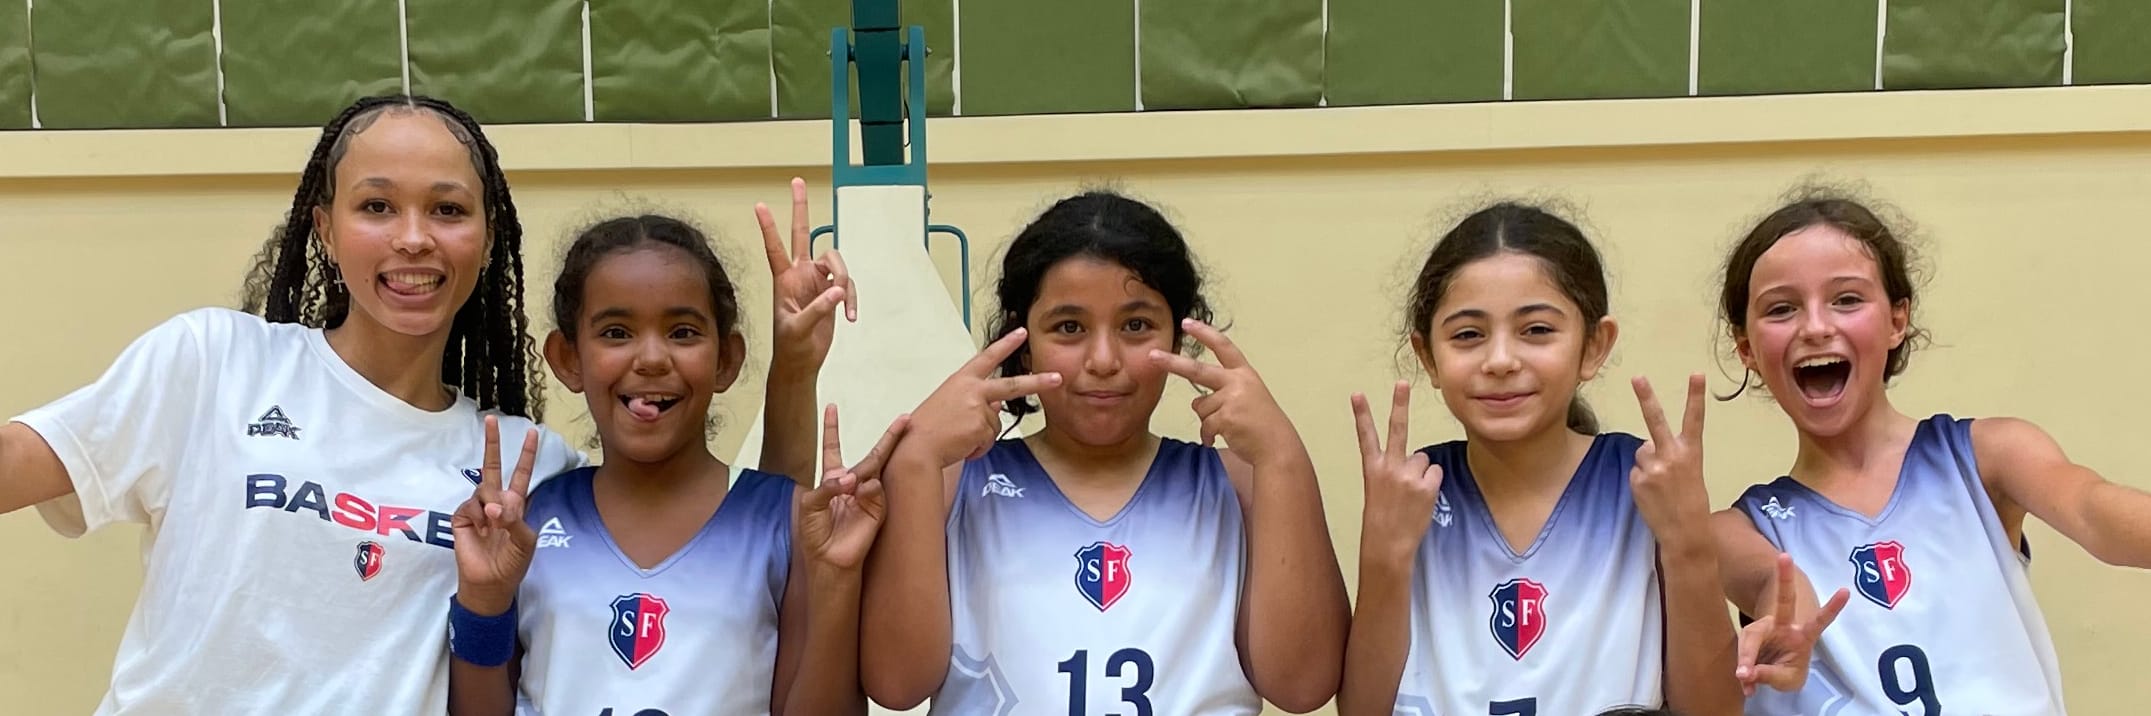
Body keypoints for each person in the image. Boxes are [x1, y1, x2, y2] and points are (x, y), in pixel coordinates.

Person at [0, 94, 582, 714]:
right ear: (325, 229)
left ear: (488, 237)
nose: (414, 238)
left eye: (447, 209)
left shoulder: (530, 467)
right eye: (377, 206)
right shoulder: (214, 361)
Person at [860, 190, 1350, 714]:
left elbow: (1304, 687)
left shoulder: (1243, 483)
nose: (1103, 359)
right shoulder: (950, 484)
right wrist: (913, 461)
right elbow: (896, 686)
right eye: (1069, 328)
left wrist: (1283, 454)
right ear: (1024, 344)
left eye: (1136, 326)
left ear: (1180, 339)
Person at [444, 188, 906, 715]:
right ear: (568, 358)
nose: (652, 358)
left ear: (727, 359)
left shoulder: (795, 520)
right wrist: (482, 601)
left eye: (683, 332)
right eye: (616, 332)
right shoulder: (529, 523)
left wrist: (836, 580)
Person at [1711, 190, 2151, 714]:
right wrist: (1784, 628)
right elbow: (1775, 586)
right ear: (1747, 350)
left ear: (1898, 320)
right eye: (1782, 309)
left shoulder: (1988, 454)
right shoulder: (1741, 529)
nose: (1815, 326)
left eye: (1847, 299)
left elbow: (2093, 509)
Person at [1338, 202, 1742, 716]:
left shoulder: (1645, 482)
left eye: (1537, 331)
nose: (1501, 360)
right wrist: (1384, 560)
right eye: (1468, 335)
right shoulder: (1412, 492)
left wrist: (1689, 546)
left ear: (1594, 346)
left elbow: (1715, 710)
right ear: (1428, 357)